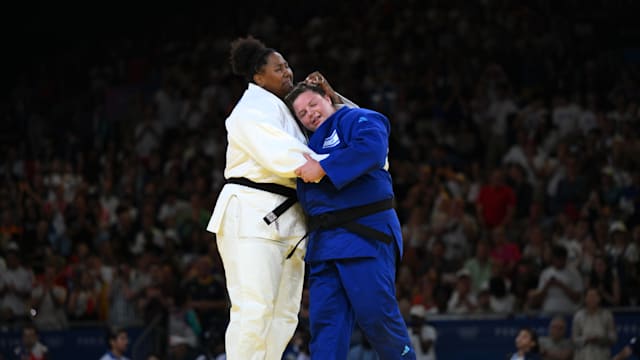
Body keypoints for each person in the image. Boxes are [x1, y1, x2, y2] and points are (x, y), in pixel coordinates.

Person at [205, 36, 341, 360]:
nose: (288, 72)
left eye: (288, 66)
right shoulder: (249, 111)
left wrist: (329, 98)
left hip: (289, 220)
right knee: (254, 309)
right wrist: (332, 166)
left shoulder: (288, 112)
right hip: (253, 214)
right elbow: (289, 157)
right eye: (278, 68)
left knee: (284, 316)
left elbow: (336, 130)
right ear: (258, 76)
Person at [285, 82, 415, 359]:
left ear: (328, 98)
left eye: (313, 104)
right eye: (302, 113)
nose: (310, 114)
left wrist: (322, 167)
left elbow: (372, 148)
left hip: (364, 233)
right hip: (324, 244)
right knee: (325, 327)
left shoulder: (357, 118)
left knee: (377, 316)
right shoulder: (305, 145)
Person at [571, 287, 617, 360]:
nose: (592, 299)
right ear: (585, 298)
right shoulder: (578, 316)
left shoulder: (607, 315)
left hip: (602, 356)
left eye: (594, 296)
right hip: (582, 356)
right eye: (589, 296)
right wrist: (586, 339)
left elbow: (613, 338)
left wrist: (599, 339)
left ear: (599, 299)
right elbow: (574, 339)